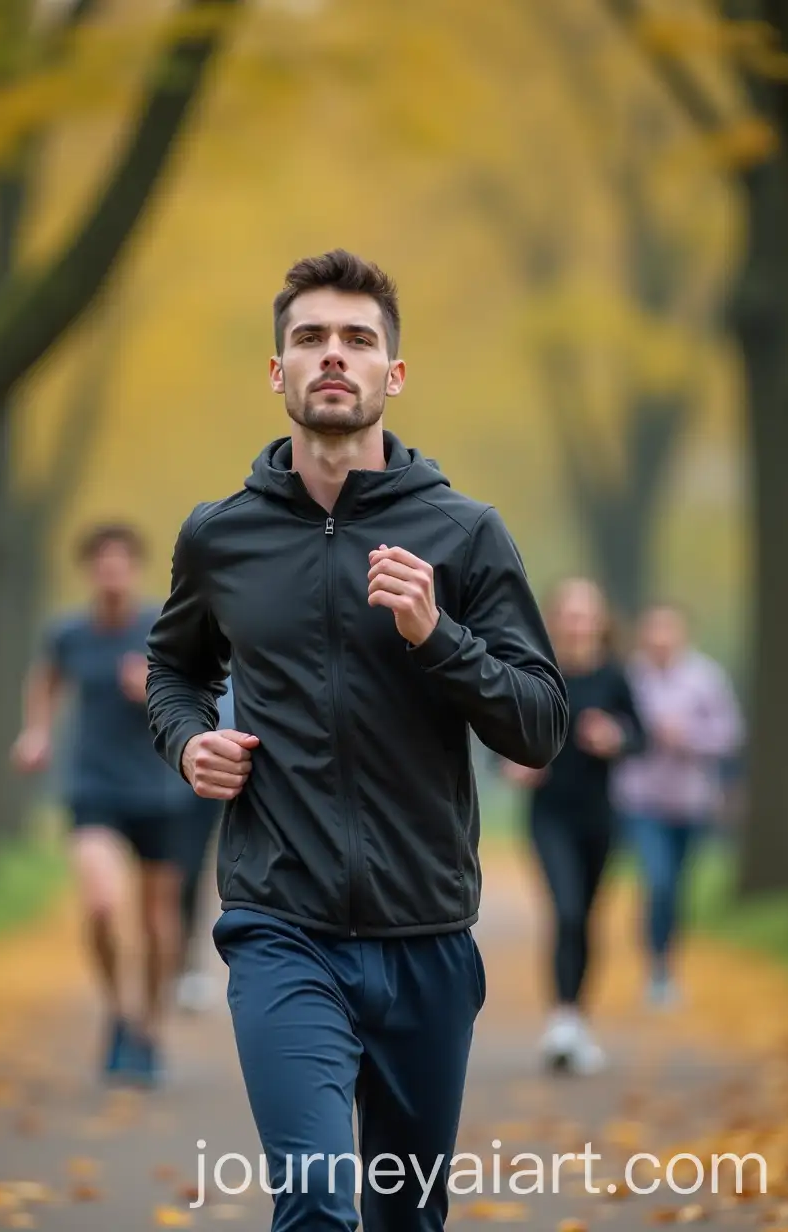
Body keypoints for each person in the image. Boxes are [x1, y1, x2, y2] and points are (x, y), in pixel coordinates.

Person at [145, 249, 569, 1230]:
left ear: (393, 373)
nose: (333, 356)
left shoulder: (464, 535)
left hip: (426, 933)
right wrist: (186, 740)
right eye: (310, 338)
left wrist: (437, 633)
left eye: (357, 340)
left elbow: (539, 723)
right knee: (318, 1200)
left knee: (405, 1219)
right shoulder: (220, 537)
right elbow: (174, 669)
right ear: (277, 370)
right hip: (279, 922)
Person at [11, 522, 186, 1084]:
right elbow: (45, 681)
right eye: (101, 562)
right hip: (94, 788)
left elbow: (199, 689)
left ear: (135, 568)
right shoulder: (68, 632)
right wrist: (35, 732)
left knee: (158, 922)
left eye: (121, 561)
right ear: (89, 569)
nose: (111, 571)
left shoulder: (162, 625)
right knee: (103, 905)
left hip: (159, 788)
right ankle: (118, 1012)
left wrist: (153, 688)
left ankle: (150, 1029)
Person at [502, 578, 645, 1075]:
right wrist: (513, 765)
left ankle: (577, 1020)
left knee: (584, 918)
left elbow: (638, 736)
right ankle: (561, 1023)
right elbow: (501, 727)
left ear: (602, 623)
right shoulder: (537, 670)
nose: (579, 624)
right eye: (571, 615)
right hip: (550, 815)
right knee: (564, 911)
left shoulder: (615, 677)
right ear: (555, 620)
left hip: (599, 817)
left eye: (588, 615)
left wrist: (616, 738)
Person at [612, 601, 744, 1006]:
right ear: (643, 636)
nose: (660, 639)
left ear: (683, 634)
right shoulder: (629, 679)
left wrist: (687, 737)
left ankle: (665, 959)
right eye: (653, 631)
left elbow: (731, 734)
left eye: (668, 630)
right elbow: (612, 726)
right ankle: (657, 969)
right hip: (640, 799)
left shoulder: (705, 678)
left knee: (676, 889)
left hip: (690, 802)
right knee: (659, 879)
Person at [173, 676, 235, 1013]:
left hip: (262, 774)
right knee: (189, 868)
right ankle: (186, 963)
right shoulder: (197, 635)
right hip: (196, 772)